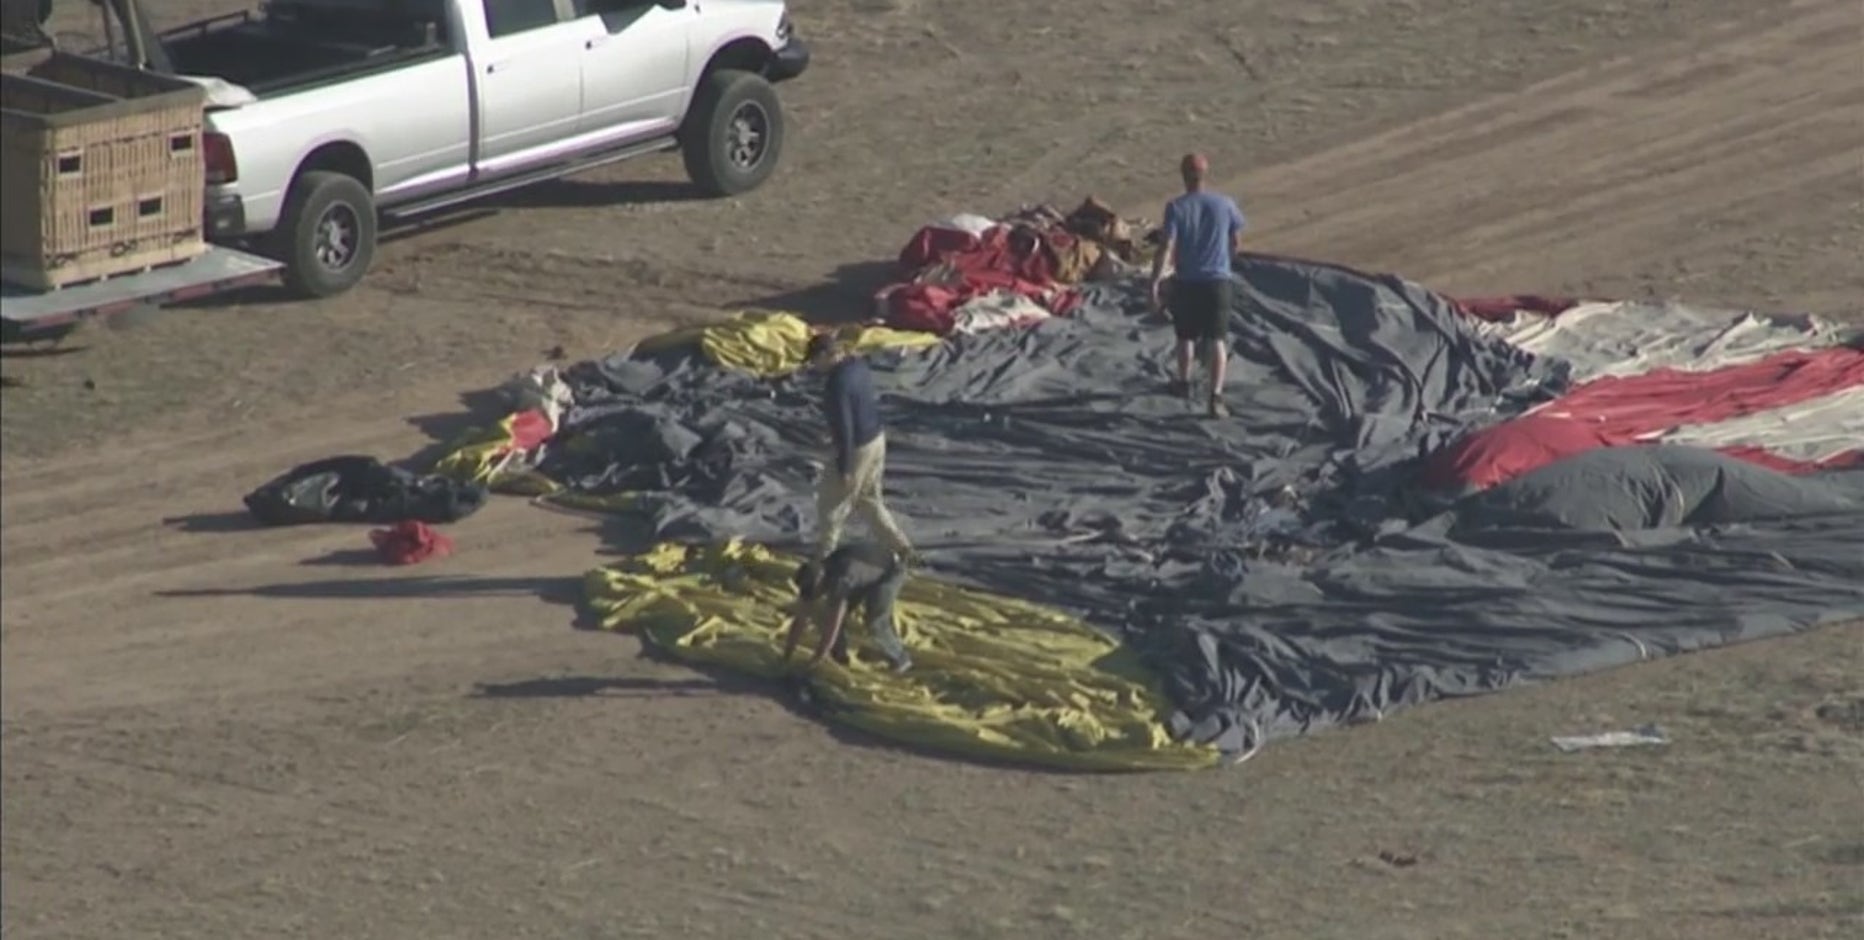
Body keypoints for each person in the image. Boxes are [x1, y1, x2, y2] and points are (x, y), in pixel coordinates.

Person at [1148, 153, 1247, 418]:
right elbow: (1236, 241)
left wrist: (1155, 282)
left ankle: (1183, 381)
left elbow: (1166, 246)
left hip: (1188, 282)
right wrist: (1224, 259)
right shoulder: (1225, 204)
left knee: (1185, 335)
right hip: (1217, 282)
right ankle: (1215, 396)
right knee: (1217, 339)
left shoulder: (1176, 207)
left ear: (1183, 175)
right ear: (1206, 174)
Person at [806, 331, 918, 565]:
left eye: (815, 360)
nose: (814, 366)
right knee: (868, 499)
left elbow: (845, 427)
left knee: (831, 505)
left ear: (827, 355)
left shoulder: (836, 384)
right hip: (876, 439)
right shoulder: (857, 365)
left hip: (856, 448)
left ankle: (823, 558)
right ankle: (902, 547)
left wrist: (845, 467)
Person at [781, 542, 914, 673]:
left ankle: (901, 657)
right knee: (826, 613)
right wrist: (787, 655)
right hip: (863, 571)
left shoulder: (841, 581)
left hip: (890, 571)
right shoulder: (820, 572)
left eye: (814, 592)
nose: (813, 596)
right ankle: (840, 655)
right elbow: (800, 618)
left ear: (821, 582)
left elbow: (834, 624)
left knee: (875, 621)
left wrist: (817, 658)